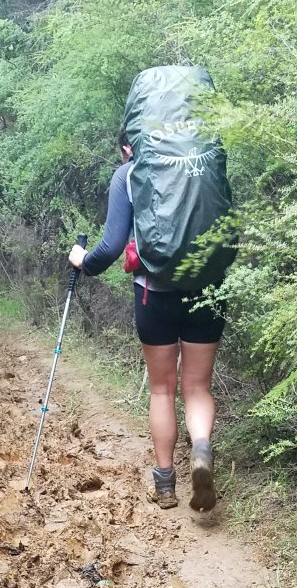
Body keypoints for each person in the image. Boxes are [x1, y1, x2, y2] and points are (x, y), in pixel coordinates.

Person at [68, 127, 226, 512]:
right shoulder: (202, 164)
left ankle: (166, 485)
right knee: (197, 387)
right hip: (207, 289)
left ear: (128, 146)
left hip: (153, 294)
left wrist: (83, 262)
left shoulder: (128, 173)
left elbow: (110, 246)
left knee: (162, 390)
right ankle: (201, 450)